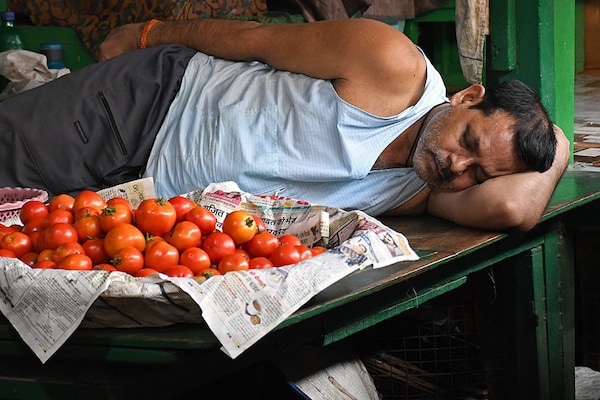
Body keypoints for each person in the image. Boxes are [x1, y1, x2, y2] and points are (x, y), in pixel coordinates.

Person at [0, 18, 569, 232]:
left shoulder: (421, 188)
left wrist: (552, 141)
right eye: (469, 141)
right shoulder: (392, 68)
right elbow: (253, 40)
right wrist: (149, 33)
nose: (457, 166)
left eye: (479, 173)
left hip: (147, 193)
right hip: (146, 107)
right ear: (468, 95)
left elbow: (515, 210)